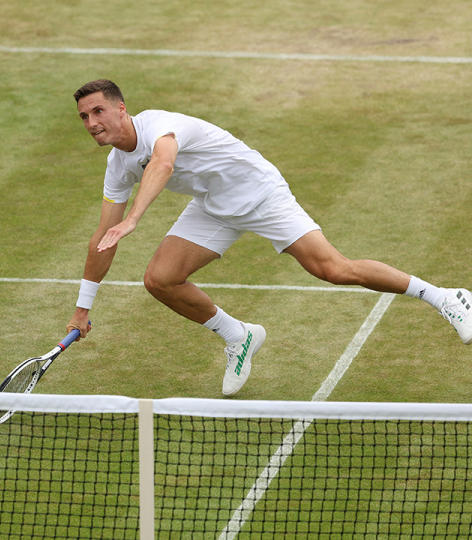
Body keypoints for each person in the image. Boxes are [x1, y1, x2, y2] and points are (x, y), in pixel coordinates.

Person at [65, 79, 472, 397]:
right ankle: (238, 336)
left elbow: (164, 163)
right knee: (160, 279)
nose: (92, 123)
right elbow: (102, 238)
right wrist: (83, 309)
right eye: (84, 117)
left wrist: (134, 217)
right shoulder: (117, 165)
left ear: (121, 109)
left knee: (332, 269)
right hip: (213, 205)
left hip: (260, 193)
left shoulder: (160, 126)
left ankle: (445, 296)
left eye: (98, 111)